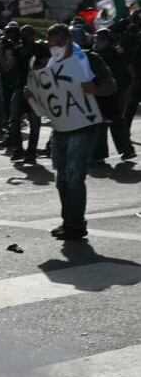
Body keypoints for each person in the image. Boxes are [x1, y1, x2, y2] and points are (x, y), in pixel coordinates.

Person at [34, 24, 100, 240]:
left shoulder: (83, 58)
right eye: (50, 42)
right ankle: (68, 221)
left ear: (67, 40)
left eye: (57, 42)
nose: (53, 46)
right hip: (62, 127)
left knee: (73, 177)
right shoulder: (53, 62)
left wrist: (93, 88)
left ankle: (76, 224)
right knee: (61, 178)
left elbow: (105, 86)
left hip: (82, 127)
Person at [0, 24, 48, 163]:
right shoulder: (17, 49)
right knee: (14, 121)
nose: (27, 37)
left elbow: (46, 66)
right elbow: (7, 67)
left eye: (29, 34)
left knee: (35, 122)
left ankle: (31, 152)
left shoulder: (39, 48)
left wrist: (36, 66)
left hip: (36, 90)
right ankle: (18, 150)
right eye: (24, 35)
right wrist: (3, 51)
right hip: (20, 88)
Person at [91, 28, 136, 162]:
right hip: (116, 91)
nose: (96, 41)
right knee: (115, 121)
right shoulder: (113, 52)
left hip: (109, 92)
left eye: (98, 39)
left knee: (103, 122)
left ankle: (100, 153)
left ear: (105, 40)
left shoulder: (104, 54)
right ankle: (127, 150)